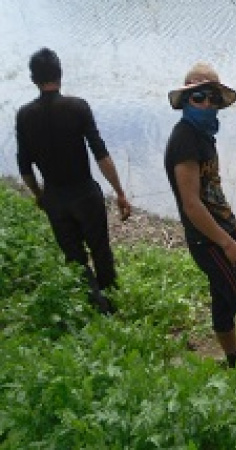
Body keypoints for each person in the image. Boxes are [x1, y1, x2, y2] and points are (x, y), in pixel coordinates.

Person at [164, 62, 236, 383]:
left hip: (221, 231)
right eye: (198, 97)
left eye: (211, 97)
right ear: (185, 100)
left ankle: (234, 362)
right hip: (209, 241)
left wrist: (232, 231)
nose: (207, 103)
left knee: (224, 300)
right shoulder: (185, 139)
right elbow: (192, 204)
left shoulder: (201, 135)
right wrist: (227, 243)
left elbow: (209, 193)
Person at [15, 47, 132, 315]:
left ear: (33, 78)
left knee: (75, 257)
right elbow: (100, 153)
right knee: (101, 250)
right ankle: (111, 305)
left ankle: (96, 306)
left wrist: (38, 194)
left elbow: (24, 165)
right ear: (60, 74)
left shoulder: (24, 115)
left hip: (55, 196)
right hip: (85, 193)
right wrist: (119, 192)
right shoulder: (77, 107)